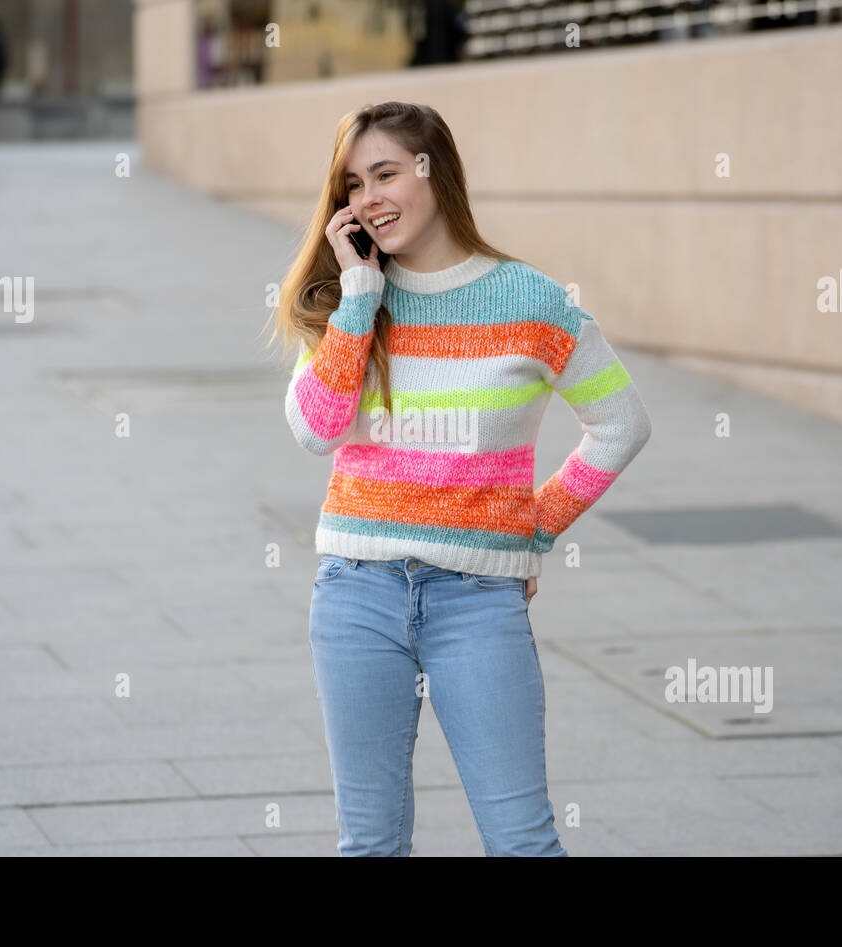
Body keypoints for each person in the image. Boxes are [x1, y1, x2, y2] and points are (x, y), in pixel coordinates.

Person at [268, 101, 653, 856]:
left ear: (432, 170)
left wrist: (533, 523)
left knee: (522, 842)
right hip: (356, 592)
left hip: (477, 602)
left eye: (385, 173)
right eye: (352, 184)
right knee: (370, 844)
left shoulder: (532, 301)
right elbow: (315, 429)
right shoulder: (352, 301)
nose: (368, 198)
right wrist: (356, 303)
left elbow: (622, 423)